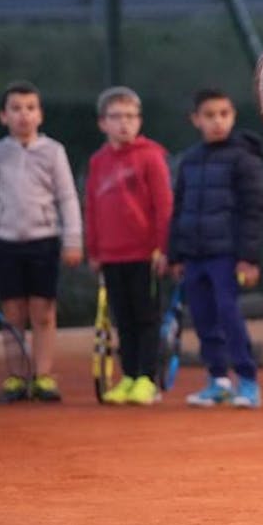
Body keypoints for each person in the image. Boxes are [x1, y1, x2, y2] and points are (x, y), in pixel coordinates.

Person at [0, 81, 82, 401]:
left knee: (43, 312)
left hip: (44, 241)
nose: (23, 115)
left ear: (40, 115)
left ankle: (44, 376)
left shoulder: (54, 151)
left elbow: (67, 198)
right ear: (3, 116)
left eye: (30, 108)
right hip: (6, 243)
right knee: (13, 313)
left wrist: (73, 240)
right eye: (16, 109)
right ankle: (16, 377)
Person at [168, 88, 263, 409]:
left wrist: (248, 258)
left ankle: (248, 381)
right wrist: (175, 254)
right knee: (203, 317)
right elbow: (179, 207)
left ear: (233, 116)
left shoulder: (244, 159)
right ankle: (217, 380)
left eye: (224, 114)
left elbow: (254, 210)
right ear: (196, 119)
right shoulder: (190, 160)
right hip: (194, 256)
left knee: (228, 314)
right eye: (209, 115)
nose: (217, 121)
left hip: (227, 256)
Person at [85, 86, 173, 405]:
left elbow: (164, 208)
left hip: (144, 255)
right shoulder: (98, 162)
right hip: (111, 256)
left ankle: (148, 379)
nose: (124, 123)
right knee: (123, 320)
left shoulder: (152, 157)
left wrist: (163, 249)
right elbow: (92, 207)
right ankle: (130, 376)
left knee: (146, 319)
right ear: (102, 123)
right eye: (117, 117)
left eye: (131, 117)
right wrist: (94, 250)